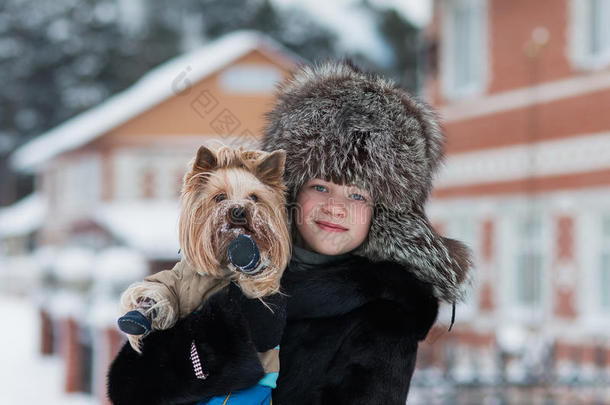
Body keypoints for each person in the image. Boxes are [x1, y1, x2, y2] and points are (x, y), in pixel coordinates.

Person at [107, 60, 472, 405]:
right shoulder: (224, 264)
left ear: (382, 214)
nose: (336, 207)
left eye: (358, 194)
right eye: (321, 186)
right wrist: (235, 320)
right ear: (291, 191)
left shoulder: (386, 314)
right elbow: (131, 387)